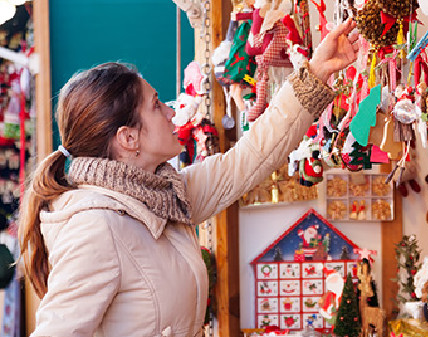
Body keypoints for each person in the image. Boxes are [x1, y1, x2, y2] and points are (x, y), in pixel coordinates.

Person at [19, 19, 359, 337]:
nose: (170, 111)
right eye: (155, 105)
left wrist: (315, 72)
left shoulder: (163, 195)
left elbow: (252, 156)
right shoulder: (95, 228)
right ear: (128, 138)